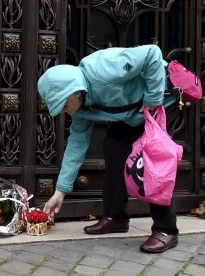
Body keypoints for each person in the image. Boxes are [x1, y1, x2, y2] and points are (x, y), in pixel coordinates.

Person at [37, 44, 179, 254]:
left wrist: (153, 98)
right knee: (114, 146)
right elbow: (76, 146)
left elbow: (152, 54)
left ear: (75, 92)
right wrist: (61, 191)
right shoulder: (82, 110)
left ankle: (166, 229)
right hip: (133, 114)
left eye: (64, 106)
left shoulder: (102, 69)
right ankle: (116, 217)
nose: (66, 113)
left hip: (161, 100)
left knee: (152, 159)